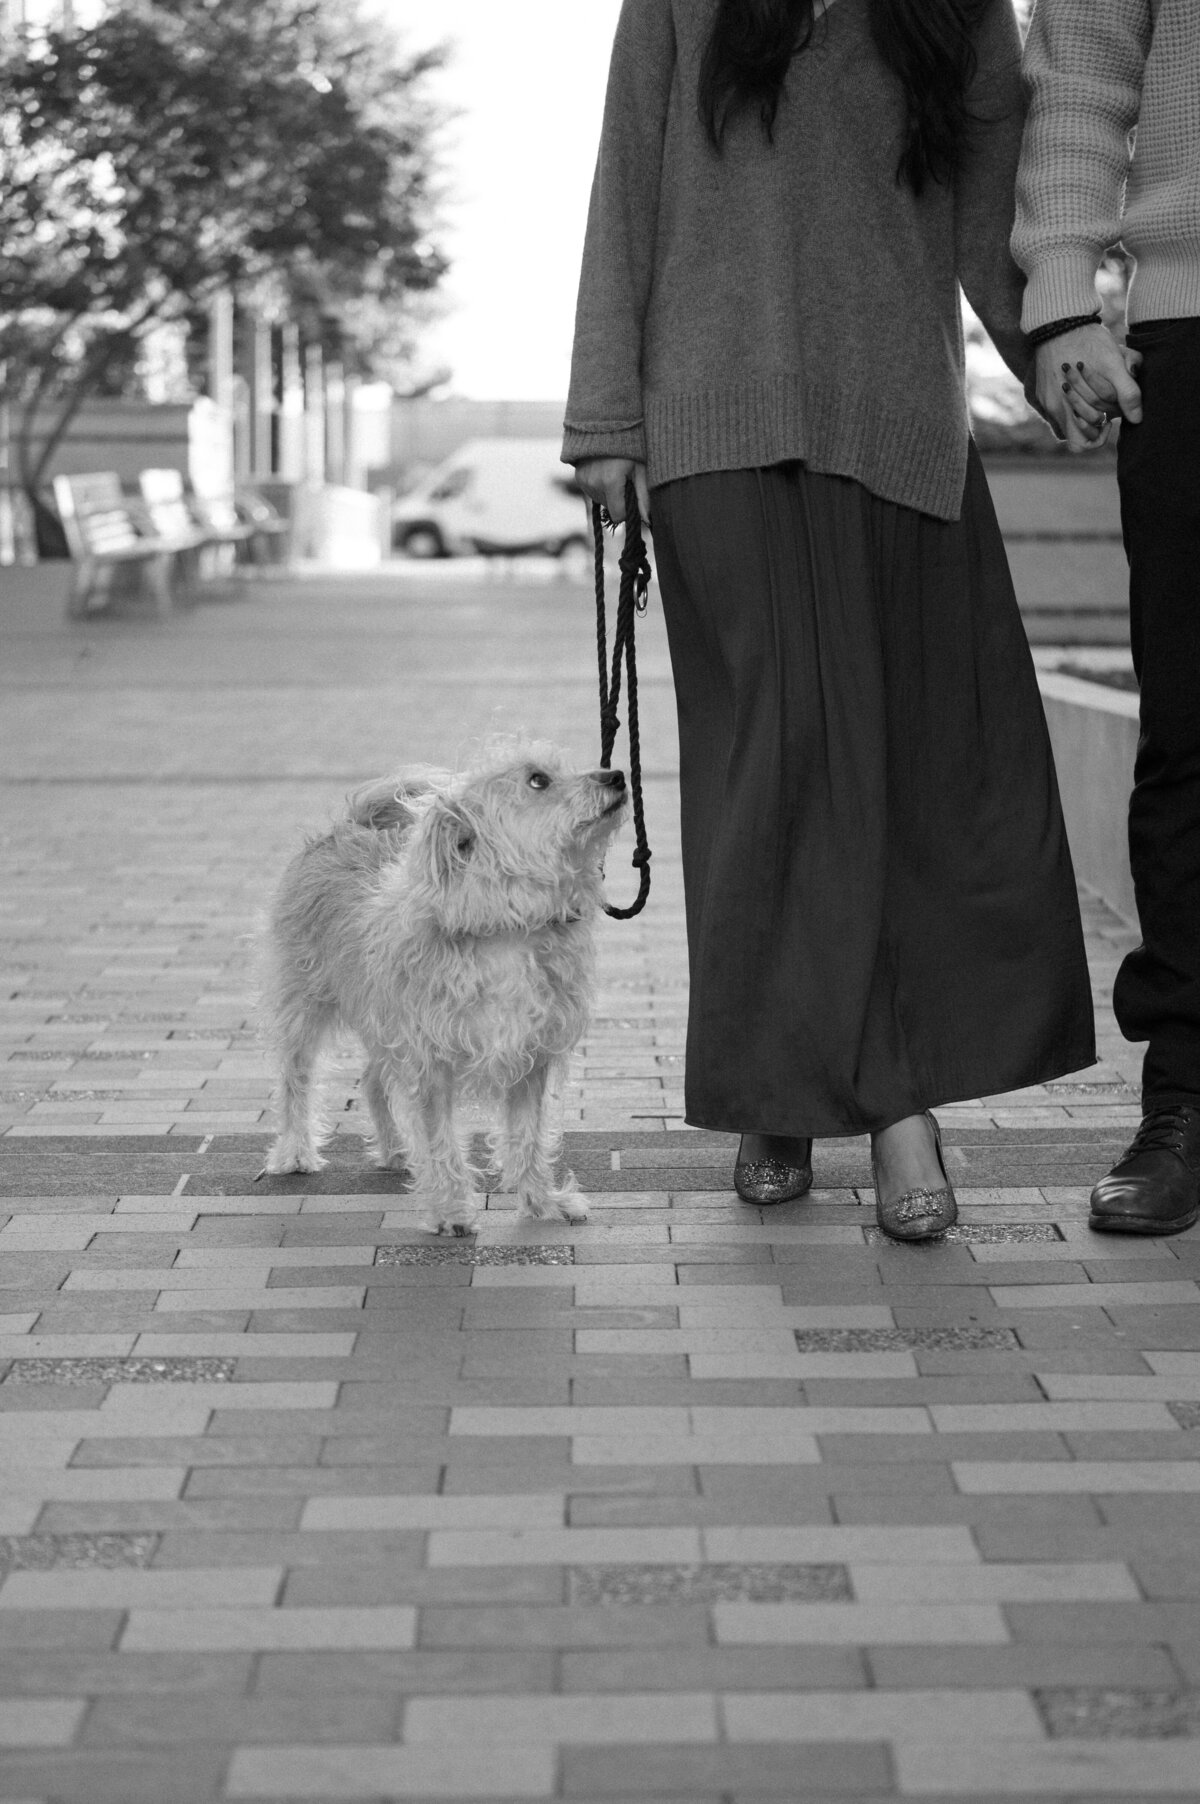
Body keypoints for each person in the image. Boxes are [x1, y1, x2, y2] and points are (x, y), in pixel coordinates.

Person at [564, 0, 1095, 1239]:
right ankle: (881, 1106)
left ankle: (794, 1093)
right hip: (718, 442)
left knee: (924, 782)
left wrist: (1054, 350)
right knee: (774, 782)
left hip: (902, 435)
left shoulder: (957, 10)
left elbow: (992, 204)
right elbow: (622, 193)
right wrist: (604, 422)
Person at [1013, 0, 1200, 1237]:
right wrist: (1063, 300)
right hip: (1193, 320)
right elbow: (1082, 68)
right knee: (1191, 735)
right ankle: (1187, 1097)